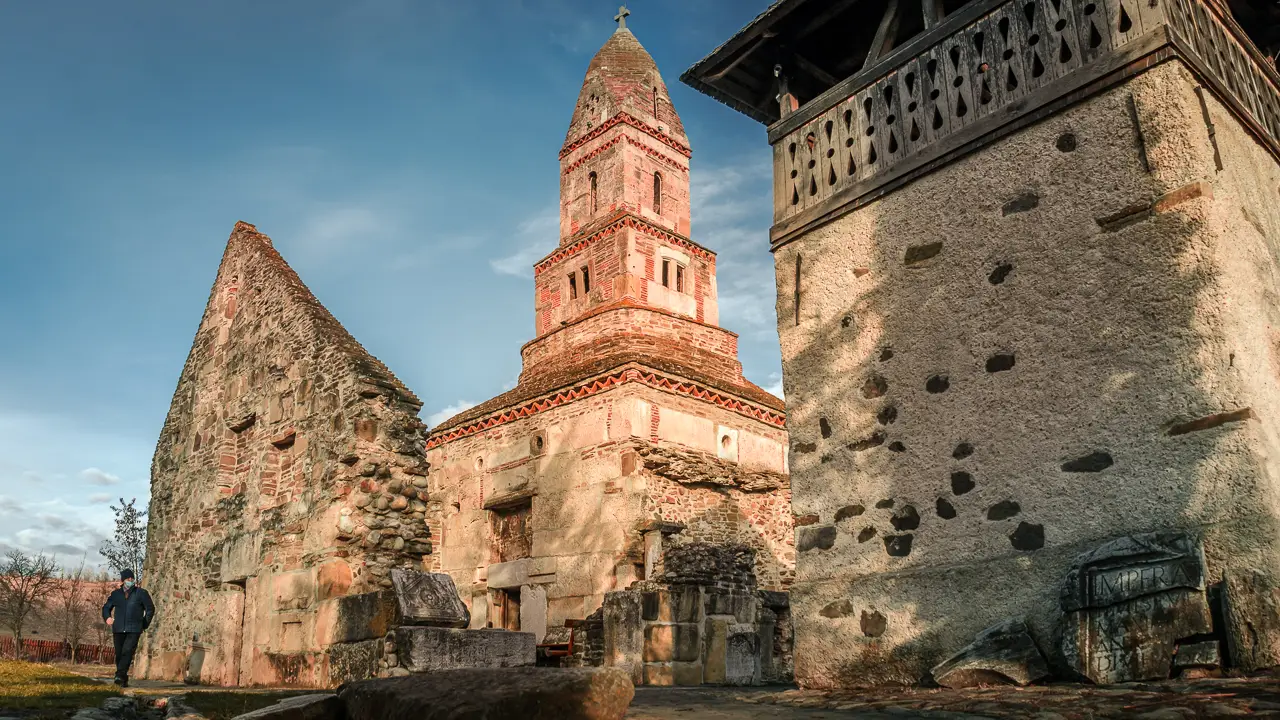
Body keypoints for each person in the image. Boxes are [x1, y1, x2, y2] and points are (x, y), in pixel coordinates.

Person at [101, 569, 154, 687]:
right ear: (123, 580)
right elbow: (106, 608)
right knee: (119, 654)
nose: (130, 580)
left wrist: (144, 624)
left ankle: (119, 675)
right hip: (118, 628)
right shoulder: (116, 594)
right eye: (127, 578)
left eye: (131, 578)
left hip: (134, 629)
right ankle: (123, 679)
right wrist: (107, 617)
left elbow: (150, 609)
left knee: (127, 651)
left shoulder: (141, 593)